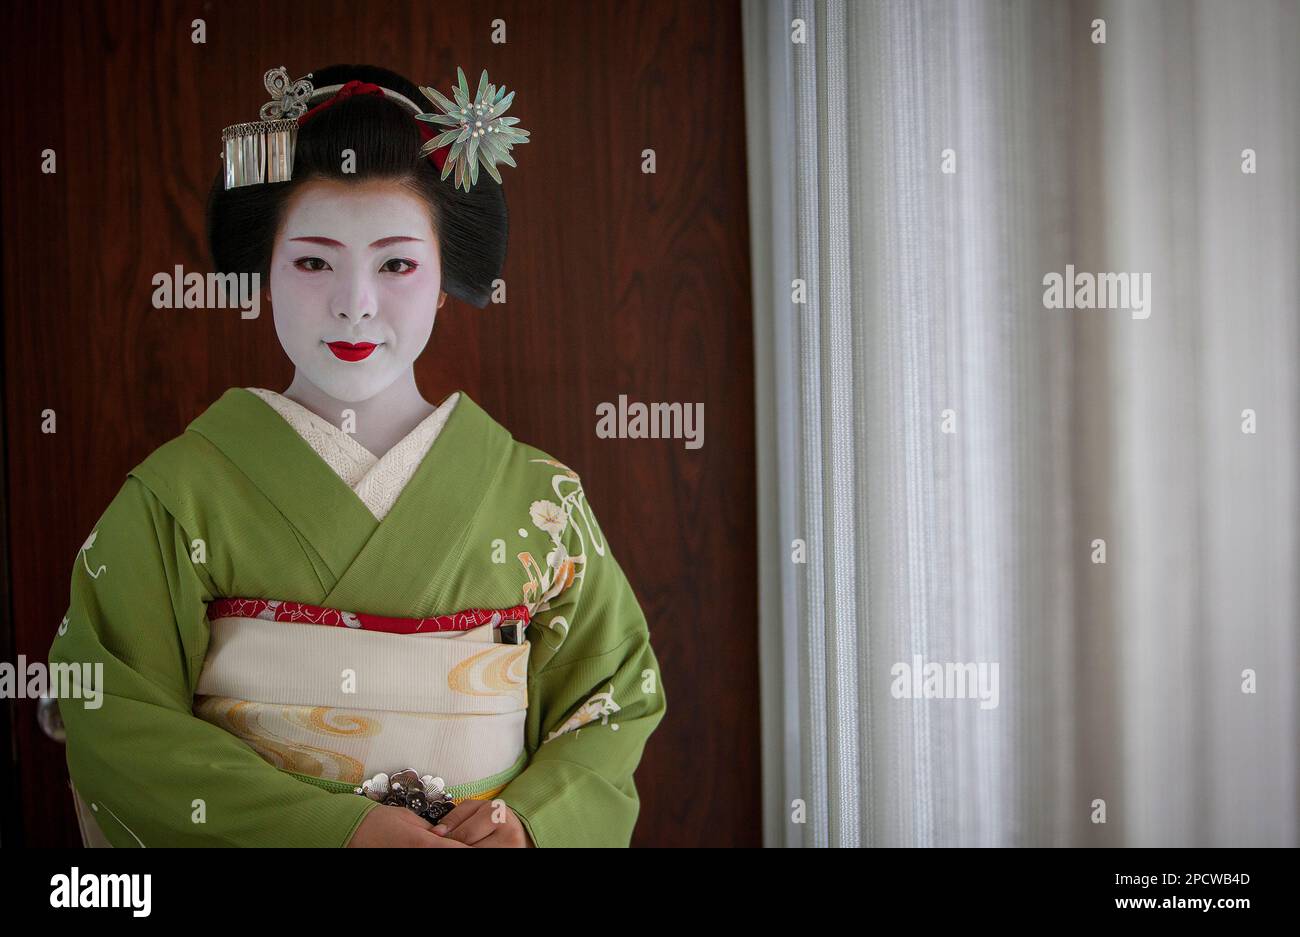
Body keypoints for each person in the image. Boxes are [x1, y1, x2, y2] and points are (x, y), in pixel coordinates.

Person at [47, 63, 666, 847]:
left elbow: (614, 696)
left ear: (446, 280)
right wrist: (334, 831)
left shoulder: (541, 499)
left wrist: (532, 824)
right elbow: (110, 710)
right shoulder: (178, 494)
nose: (355, 301)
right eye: (313, 261)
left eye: (397, 263)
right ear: (265, 274)